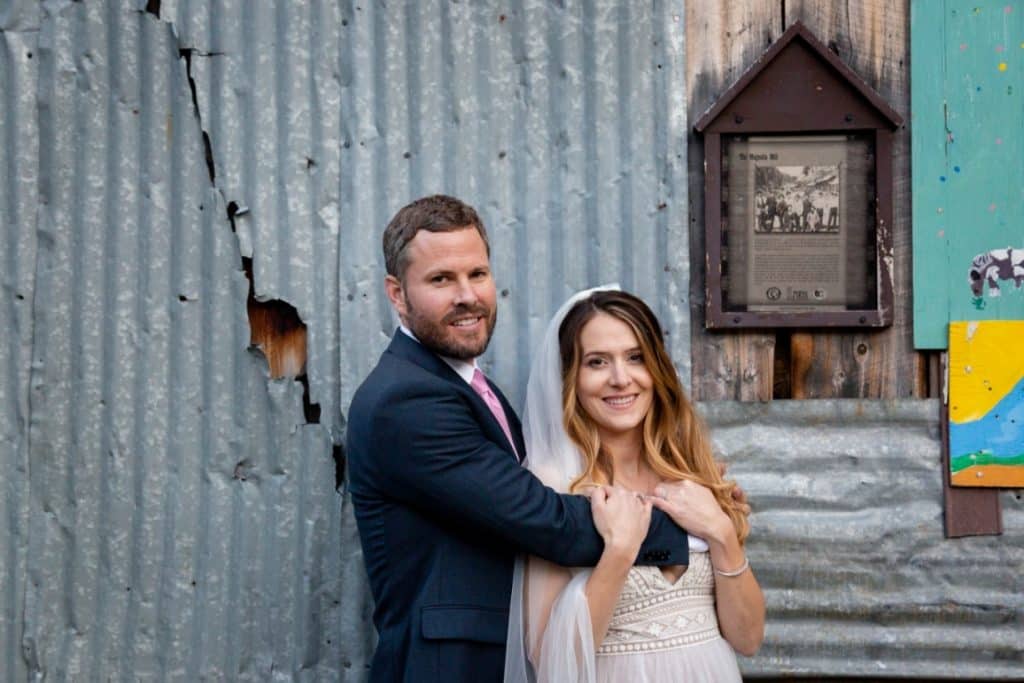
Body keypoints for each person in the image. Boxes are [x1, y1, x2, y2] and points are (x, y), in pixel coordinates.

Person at [345, 195, 697, 683]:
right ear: (396, 293)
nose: (467, 295)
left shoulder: (465, 383)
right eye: (441, 279)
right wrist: (689, 525)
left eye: (477, 274)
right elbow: (542, 519)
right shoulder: (406, 402)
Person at [505, 288, 764, 682]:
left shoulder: (692, 471)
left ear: (656, 369)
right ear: (570, 378)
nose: (621, 379)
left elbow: (748, 638)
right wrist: (620, 552)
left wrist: (722, 533)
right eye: (597, 362)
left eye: (635, 357)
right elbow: (551, 663)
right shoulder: (553, 486)